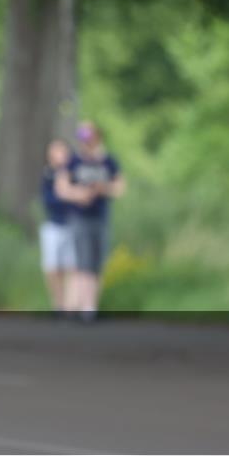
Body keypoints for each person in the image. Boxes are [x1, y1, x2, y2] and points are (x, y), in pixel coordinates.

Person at [56, 121, 126, 322]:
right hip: (80, 218)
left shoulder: (108, 161)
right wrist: (79, 194)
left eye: (89, 139)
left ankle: (91, 304)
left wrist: (103, 188)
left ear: (97, 138)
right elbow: (62, 188)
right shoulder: (74, 162)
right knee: (84, 263)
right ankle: (87, 308)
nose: (86, 143)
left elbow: (120, 187)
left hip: (101, 217)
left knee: (97, 264)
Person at [39, 139, 75, 314]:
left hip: (72, 225)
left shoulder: (73, 173)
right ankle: (58, 304)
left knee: (70, 267)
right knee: (52, 268)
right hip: (53, 224)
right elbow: (48, 200)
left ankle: (70, 305)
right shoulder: (48, 175)